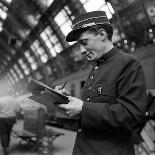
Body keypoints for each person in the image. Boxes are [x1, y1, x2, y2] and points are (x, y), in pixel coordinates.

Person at [55, 11, 148, 155]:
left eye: (84, 43)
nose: (81, 50)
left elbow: (132, 116)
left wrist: (83, 109)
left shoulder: (127, 64)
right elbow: (93, 110)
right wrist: (69, 101)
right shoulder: (95, 69)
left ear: (102, 34)